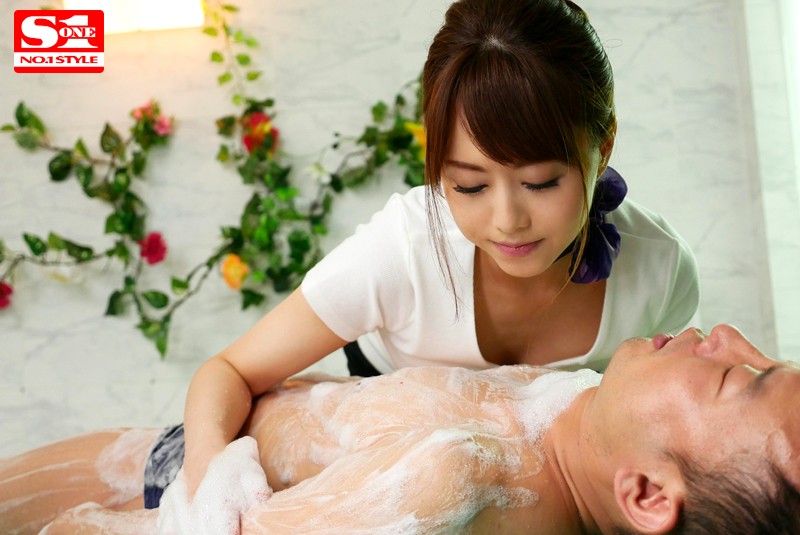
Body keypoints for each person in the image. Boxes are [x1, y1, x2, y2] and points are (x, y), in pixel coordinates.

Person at [182, 0, 700, 497]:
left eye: (540, 182)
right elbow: (227, 372)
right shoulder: (403, 249)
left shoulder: (660, 269)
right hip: (390, 458)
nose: (508, 221)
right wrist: (209, 497)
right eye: (470, 186)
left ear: (603, 146)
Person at [2, 324, 799, 535]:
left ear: (648, 494)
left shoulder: (458, 482)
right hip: (183, 449)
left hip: (150, 497)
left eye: (737, 376)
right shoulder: (578, 408)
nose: (725, 334)